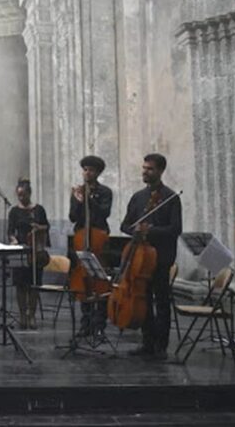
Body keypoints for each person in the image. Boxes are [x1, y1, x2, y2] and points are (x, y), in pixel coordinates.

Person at [120, 154, 182, 361]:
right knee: (143, 300)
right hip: (139, 259)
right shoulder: (138, 197)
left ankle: (161, 345)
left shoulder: (171, 198)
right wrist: (134, 231)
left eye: (150, 169)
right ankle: (147, 342)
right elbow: (124, 225)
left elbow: (175, 229)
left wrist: (150, 230)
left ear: (160, 171)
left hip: (161, 258)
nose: (145, 171)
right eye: (144, 168)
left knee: (162, 302)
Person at [68, 155, 112, 337]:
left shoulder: (105, 192)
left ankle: (100, 323)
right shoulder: (77, 192)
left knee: (100, 282)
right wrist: (78, 202)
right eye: (85, 169)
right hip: (80, 237)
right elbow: (73, 217)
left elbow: (103, 214)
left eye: (91, 170)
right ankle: (85, 323)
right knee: (82, 280)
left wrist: (88, 199)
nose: (87, 173)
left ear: (98, 172)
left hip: (98, 237)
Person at [8, 179, 50, 330]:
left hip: (36, 250)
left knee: (34, 284)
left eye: (23, 195)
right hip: (21, 249)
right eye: (19, 195)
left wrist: (39, 227)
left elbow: (46, 226)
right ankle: (22, 315)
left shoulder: (38, 210)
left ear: (29, 194)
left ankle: (32, 315)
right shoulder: (14, 211)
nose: (21, 198)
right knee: (20, 285)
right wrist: (13, 240)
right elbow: (10, 231)